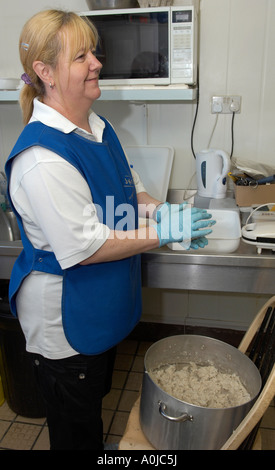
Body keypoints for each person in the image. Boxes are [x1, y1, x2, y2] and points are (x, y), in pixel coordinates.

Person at [5, 10, 214, 450]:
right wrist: (165, 233)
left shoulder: (98, 127)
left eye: (93, 52)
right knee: (77, 432)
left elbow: (130, 194)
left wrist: (166, 213)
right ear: (45, 73)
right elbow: (84, 247)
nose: (97, 62)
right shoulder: (42, 158)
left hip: (99, 302)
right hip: (65, 316)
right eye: (81, 56)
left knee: (94, 401)